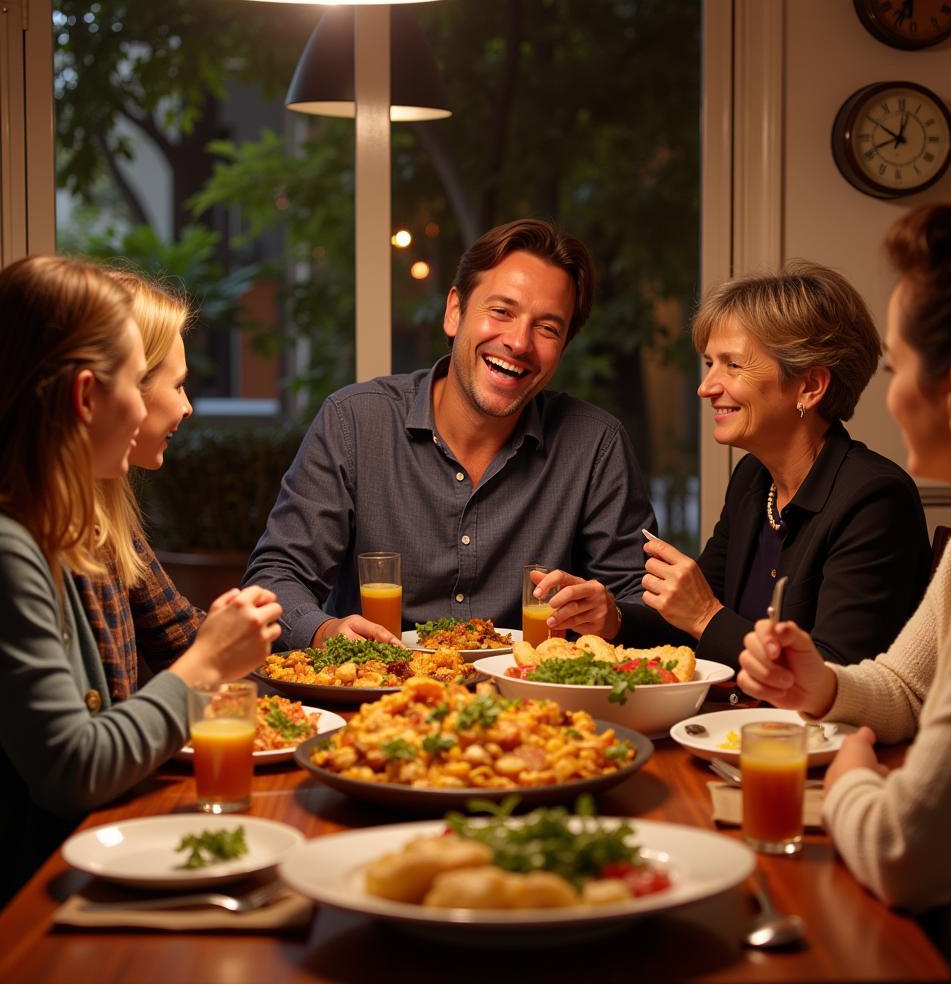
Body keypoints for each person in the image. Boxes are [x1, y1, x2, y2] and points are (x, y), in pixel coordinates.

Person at [737, 195, 951, 980]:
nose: (887, 394)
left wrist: (855, 770)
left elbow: (903, 853)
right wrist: (823, 684)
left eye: (897, 368)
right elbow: (902, 683)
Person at [0, 255, 282, 904]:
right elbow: (75, 768)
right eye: (139, 380)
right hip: (35, 906)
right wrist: (207, 662)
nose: (167, 405)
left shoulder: (55, 529)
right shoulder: (13, 549)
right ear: (86, 396)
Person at [243, 218, 657, 649]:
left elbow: (646, 604)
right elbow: (276, 576)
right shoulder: (354, 422)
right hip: (378, 700)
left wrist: (612, 616)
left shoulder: (596, 444)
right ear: (454, 311)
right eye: (501, 311)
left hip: (532, 707)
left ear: (562, 348)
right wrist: (325, 631)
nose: (519, 342)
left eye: (547, 328)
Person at [74, 270, 379, 701]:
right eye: (177, 385)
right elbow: (85, 754)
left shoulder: (106, 517)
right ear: (96, 393)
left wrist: (317, 649)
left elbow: (181, 634)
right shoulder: (33, 542)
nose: (187, 406)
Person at [640, 261, 931, 669]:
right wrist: (609, 616)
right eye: (709, 364)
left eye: (732, 364)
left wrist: (706, 616)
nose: (706, 387)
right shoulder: (753, 479)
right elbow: (684, 619)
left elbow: (836, 674)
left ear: (810, 386)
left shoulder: (875, 499)